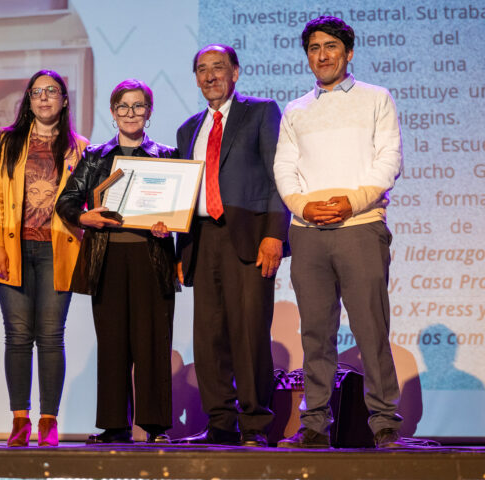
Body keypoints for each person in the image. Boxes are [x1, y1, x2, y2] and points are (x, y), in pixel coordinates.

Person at [272, 16, 405, 449]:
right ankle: (314, 426)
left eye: (331, 46)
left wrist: (353, 201)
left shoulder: (375, 98)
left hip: (360, 227)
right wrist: (302, 206)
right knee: (315, 334)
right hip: (307, 232)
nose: (322, 55)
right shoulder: (296, 109)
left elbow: (389, 159)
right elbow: (284, 167)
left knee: (370, 329)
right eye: (314, 48)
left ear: (348, 52)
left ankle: (384, 424)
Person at [175, 44, 290, 448]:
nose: (210, 76)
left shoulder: (261, 112)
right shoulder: (188, 129)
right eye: (202, 69)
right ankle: (220, 423)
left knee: (250, 333)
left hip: (250, 239)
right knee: (208, 338)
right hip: (202, 239)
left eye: (218, 67)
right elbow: (183, 194)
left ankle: (255, 425)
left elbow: (279, 177)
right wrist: (181, 250)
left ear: (235, 73)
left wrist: (275, 234)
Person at [56, 79, 178, 444]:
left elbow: (180, 209)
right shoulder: (95, 156)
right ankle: (114, 426)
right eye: (123, 106)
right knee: (112, 344)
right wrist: (85, 218)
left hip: (152, 259)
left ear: (149, 112)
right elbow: (66, 202)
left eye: (138, 106)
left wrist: (169, 224)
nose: (130, 113)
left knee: (153, 343)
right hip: (107, 258)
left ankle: (155, 427)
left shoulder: (167, 156)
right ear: (112, 112)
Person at [0, 69, 88, 447]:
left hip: (58, 250)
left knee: (51, 336)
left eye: (51, 91)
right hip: (13, 248)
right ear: (28, 100)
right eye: (37, 92)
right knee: (17, 336)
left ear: (64, 100)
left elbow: (85, 201)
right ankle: (20, 420)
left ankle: (48, 421)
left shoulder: (79, 147)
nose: (44, 98)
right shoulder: (7, 141)